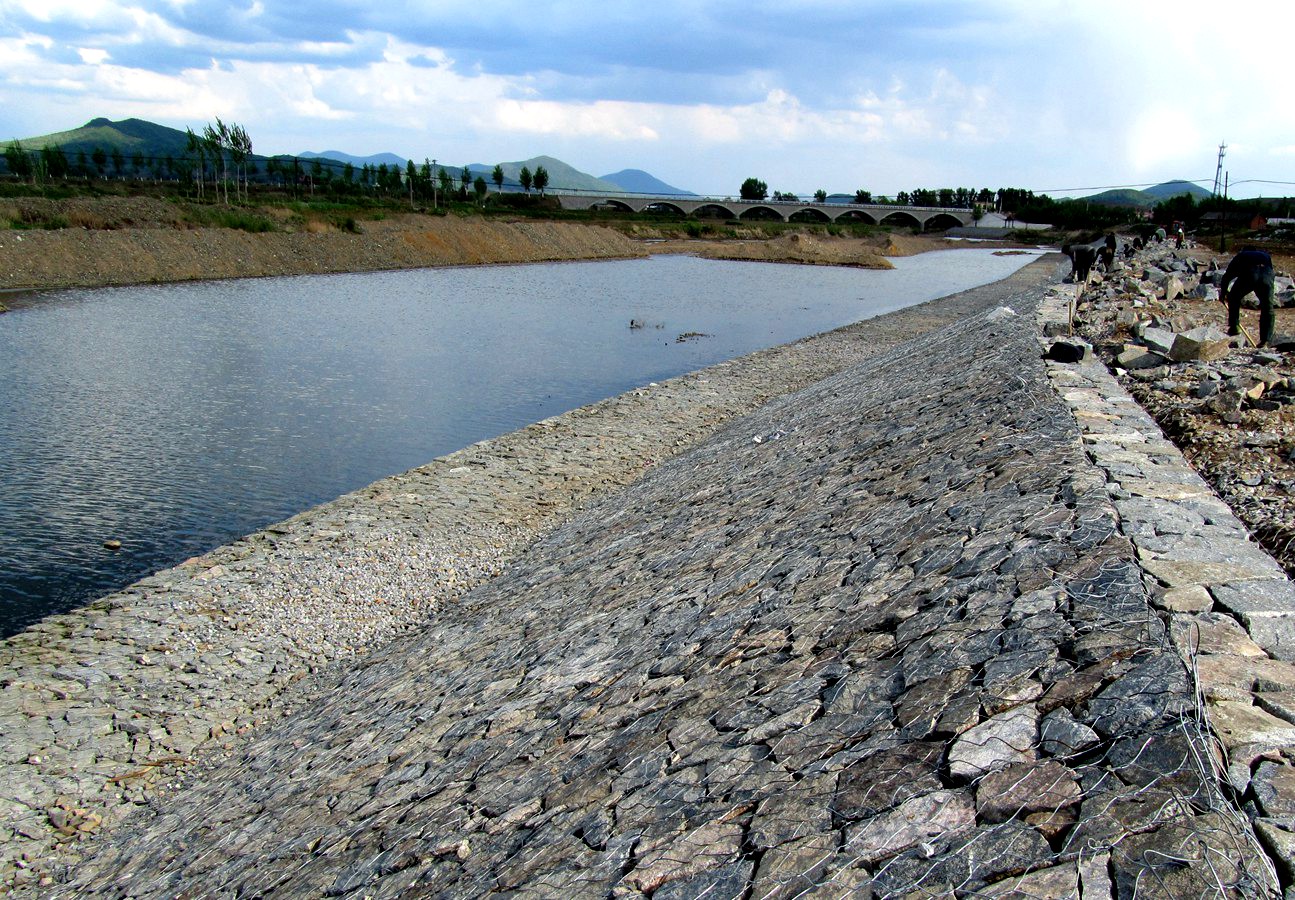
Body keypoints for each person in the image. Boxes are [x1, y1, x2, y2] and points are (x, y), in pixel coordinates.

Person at [1221, 248, 1277, 346]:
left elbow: (1227, 276)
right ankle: (1265, 340)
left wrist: (1223, 293)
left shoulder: (1241, 255)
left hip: (1251, 273)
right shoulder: (1265, 255)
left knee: (1234, 297)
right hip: (1267, 275)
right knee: (1267, 307)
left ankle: (1234, 326)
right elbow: (1271, 270)